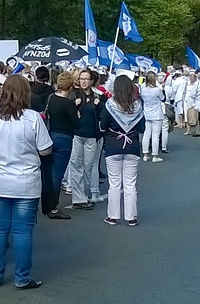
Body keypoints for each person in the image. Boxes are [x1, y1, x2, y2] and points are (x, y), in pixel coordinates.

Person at [0, 75, 51, 289]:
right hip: (26, 181)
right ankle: (22, 277)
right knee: (23, 232)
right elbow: (45, 149)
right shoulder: (33, 118)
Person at [100, 75, 143, 226]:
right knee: (130, 184)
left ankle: (113, 216)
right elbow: (142, 127)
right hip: (132, 146)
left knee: (114, 183)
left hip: (113, 146)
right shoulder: (137, 105)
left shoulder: (109, 105)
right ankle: (132, 217)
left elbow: (103, 125)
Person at [67, 70, 103, 207]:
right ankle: (78, 198)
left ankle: (84, 194)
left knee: (88, 167)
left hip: (92, 136)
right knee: (76, 164)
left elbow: (102, 115)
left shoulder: (97, 96)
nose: (84, 81)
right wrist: (74, 106)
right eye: (81, 79)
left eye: (86, 79)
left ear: (91, 81)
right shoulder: (74, 95)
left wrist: (99, 105)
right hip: (77, 134)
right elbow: (68, 114)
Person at [45, 72, 78, 219]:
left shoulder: (51, 98)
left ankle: (47, 202)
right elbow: (76, 123)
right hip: (65, 138)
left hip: (51, 135)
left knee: (50, 172)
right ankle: (53, 206)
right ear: (70, 86)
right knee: (57, 174)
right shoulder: (69, 104)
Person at [140, 70, 166, 162]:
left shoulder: (143, 90)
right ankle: (155, 156)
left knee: (146, 134)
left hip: (147, 114)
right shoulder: (157, 90)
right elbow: (163, 99)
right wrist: (163, 89)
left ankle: (145, 154)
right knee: (155, 136)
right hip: (157, 114)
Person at [183, 71, 199, 136]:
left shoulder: (197, 84)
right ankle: (188, 130)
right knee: (187, 115)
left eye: (192, 76)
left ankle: (198, 131)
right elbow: (184, 92)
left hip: (195, 101)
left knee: (196, 115)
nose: (191, 77)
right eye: (190, 76)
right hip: (187, 101)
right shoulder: (187, 83)